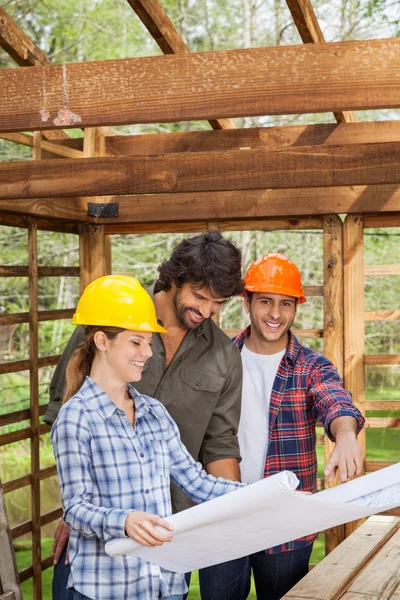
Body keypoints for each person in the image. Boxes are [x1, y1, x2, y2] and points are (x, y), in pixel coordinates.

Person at [44, 231, 244, 599]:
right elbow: (64, 408)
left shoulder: (222, 356)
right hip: (101, 547)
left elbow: (217, 447)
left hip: (167, 540)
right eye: (199, 297)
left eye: (218, 303)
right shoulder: (115, 313)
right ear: (173, 280)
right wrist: (80, 512)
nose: (207, 311)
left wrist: (250, 503)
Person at [199, 253, 365, 600]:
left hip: (285, 520)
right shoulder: (218, 359)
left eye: (285, 304)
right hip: (222, 513)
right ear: (247, 302)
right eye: (265, 301)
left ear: (295, 307)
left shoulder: (310, 366)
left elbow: (334, 399)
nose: (275, 314)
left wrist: (346, 435)